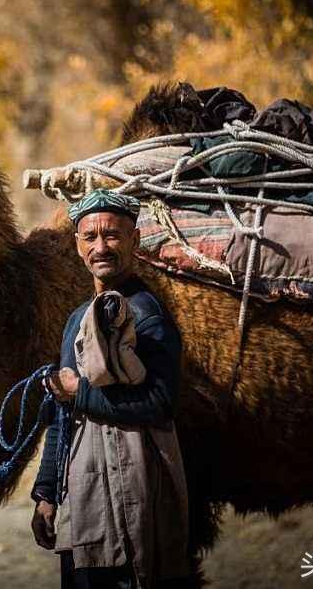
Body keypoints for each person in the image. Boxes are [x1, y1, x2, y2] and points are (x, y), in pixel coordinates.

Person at [31, 189, 191, 589]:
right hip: (82, 496)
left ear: (134, 241)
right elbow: (62, 415)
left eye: (112, 236)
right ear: (78, 246)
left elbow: (160, 402)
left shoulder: (148, 316)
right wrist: (47, 493)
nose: (100, 247)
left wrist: (79, 392)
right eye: (90, 237)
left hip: (133, 491)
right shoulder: (76, 320)